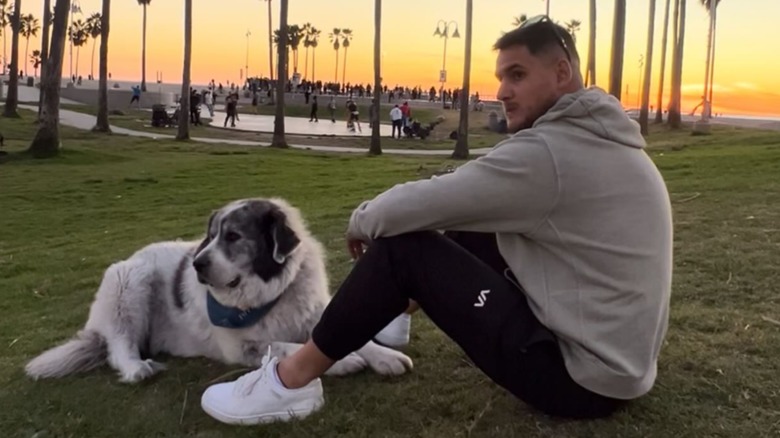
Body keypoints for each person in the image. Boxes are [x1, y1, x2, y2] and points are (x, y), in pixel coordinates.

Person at [200, 15, 673, 425]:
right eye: (501, 76)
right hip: (623, 372)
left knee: (404, 248)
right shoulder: (608, 140)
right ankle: (393, 318)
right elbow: (471, 198)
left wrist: (363, 220)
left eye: (517, 74)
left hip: (577, 381)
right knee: (477, 224)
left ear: (561, 72)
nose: (502, 91)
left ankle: (289, 381)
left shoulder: (549, 153)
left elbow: (418, 204)